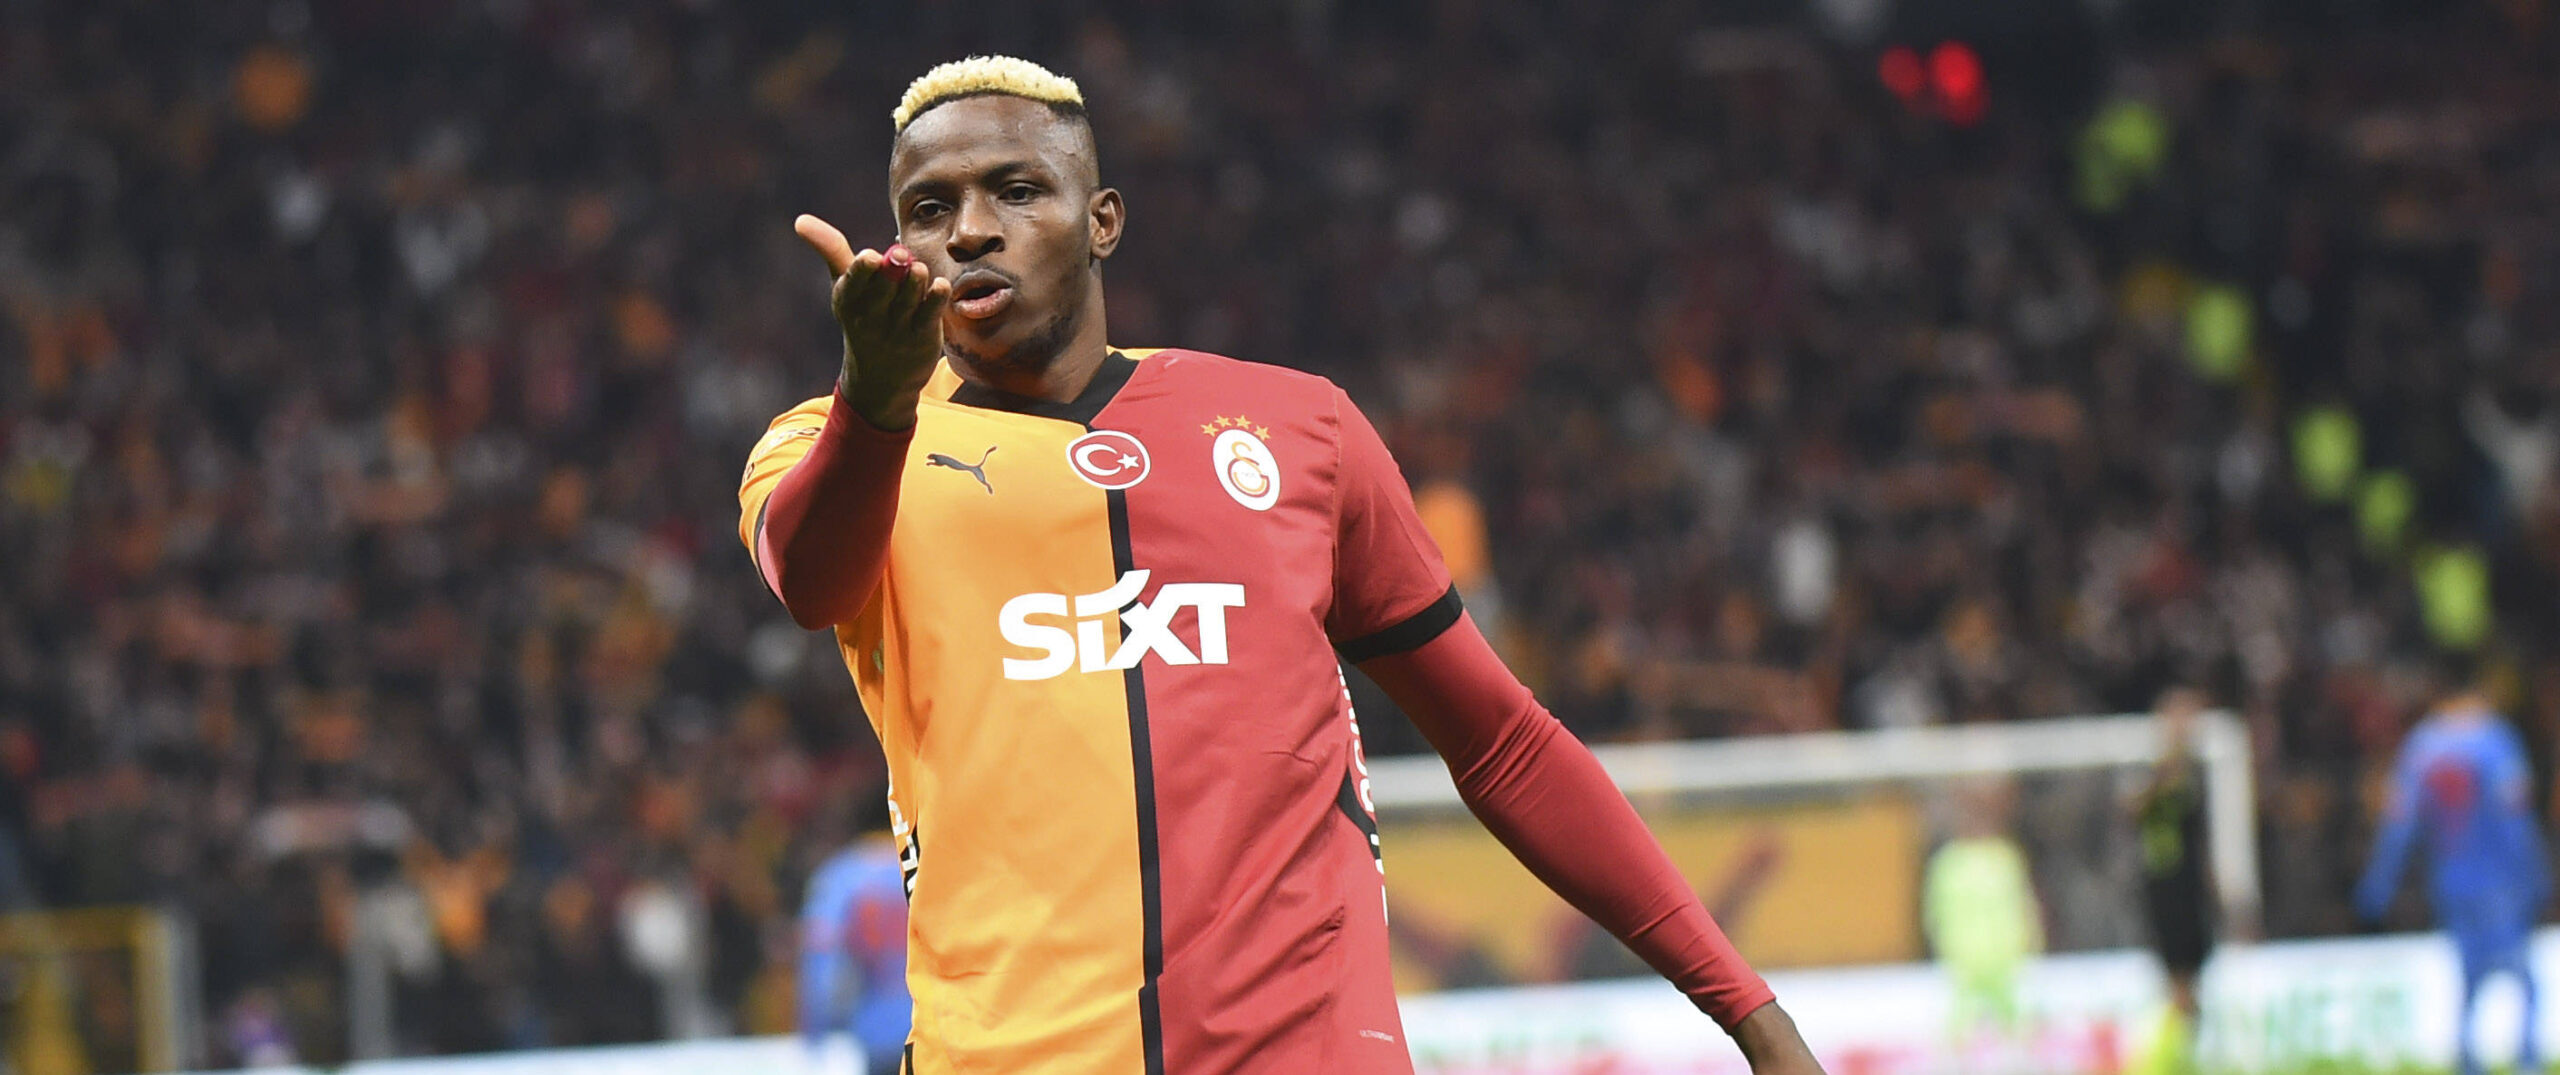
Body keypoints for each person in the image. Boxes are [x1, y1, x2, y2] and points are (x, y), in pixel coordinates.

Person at [738, 55, 1824, 1074]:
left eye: (1018, 190)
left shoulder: (1296, 427)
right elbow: (809, 581)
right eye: (930, 209)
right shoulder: (831, 447)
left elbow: (1501, 743)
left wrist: (1747, 1011)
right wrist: (874, 400)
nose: (973, 231)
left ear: (1102, 220)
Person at [2356, 661, 2550, 1075]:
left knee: (2469, 978)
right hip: (2499, 880)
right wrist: (2537, 873)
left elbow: (2399, 825)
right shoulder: (2495, 740)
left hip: (2450, 882)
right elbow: (2515, 818)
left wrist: (2379, 884)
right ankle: (2527, 1060)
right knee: (2524, 980)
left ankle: (2468, 1061)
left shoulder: (2420, 747)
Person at [2130, 688, 2216, 1075]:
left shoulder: (2199, 774)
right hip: (2164, 889)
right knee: (2177, 981)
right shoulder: (2150, 773)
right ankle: (2169, 1059)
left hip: (2190, 888)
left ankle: (2182, 1056)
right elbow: (2132, 810)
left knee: (2190, 982)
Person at [1921, 780, 2042, 1054]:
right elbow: (1936, 913)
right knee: (1959, 1027)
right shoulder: (1949, 862)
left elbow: (2023, 905)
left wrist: (2030, 941)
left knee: (2017, 1025)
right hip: (1964, 960)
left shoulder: (2004, 856)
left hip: (2005, 957)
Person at [798, 797, 912, 1075]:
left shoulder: (841, 876)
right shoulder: (927, 866)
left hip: (877, 1033)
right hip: (939, 1029)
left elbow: (821, 959)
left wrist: (815, 1034)